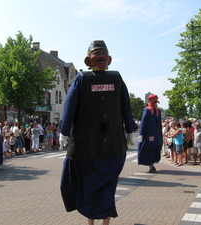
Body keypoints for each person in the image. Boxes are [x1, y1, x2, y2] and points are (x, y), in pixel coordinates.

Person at [59, 40, 134, 225]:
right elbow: (70, 105)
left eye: (104, 54)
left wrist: (130, 130)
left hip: (108, 148)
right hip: (88, 147)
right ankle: (91, 223)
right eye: (96, 54)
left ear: (109, 59)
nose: (100, 57)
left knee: (106, 188)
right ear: (88, 60)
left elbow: (126, 104)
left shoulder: (116, 78)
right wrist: (64, 131)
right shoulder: (82, 78)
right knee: (91, 188)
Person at [138, 94, 163, 172]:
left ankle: (152, 164)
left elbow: (159, 124)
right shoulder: (148, 110)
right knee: (149, 148)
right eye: (154, 99)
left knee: (154, 148)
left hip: (155, 134)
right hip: (150, 134)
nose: (156, 101)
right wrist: (141, 134)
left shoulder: (157, 110)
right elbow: (143, 123)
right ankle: (151, 165)